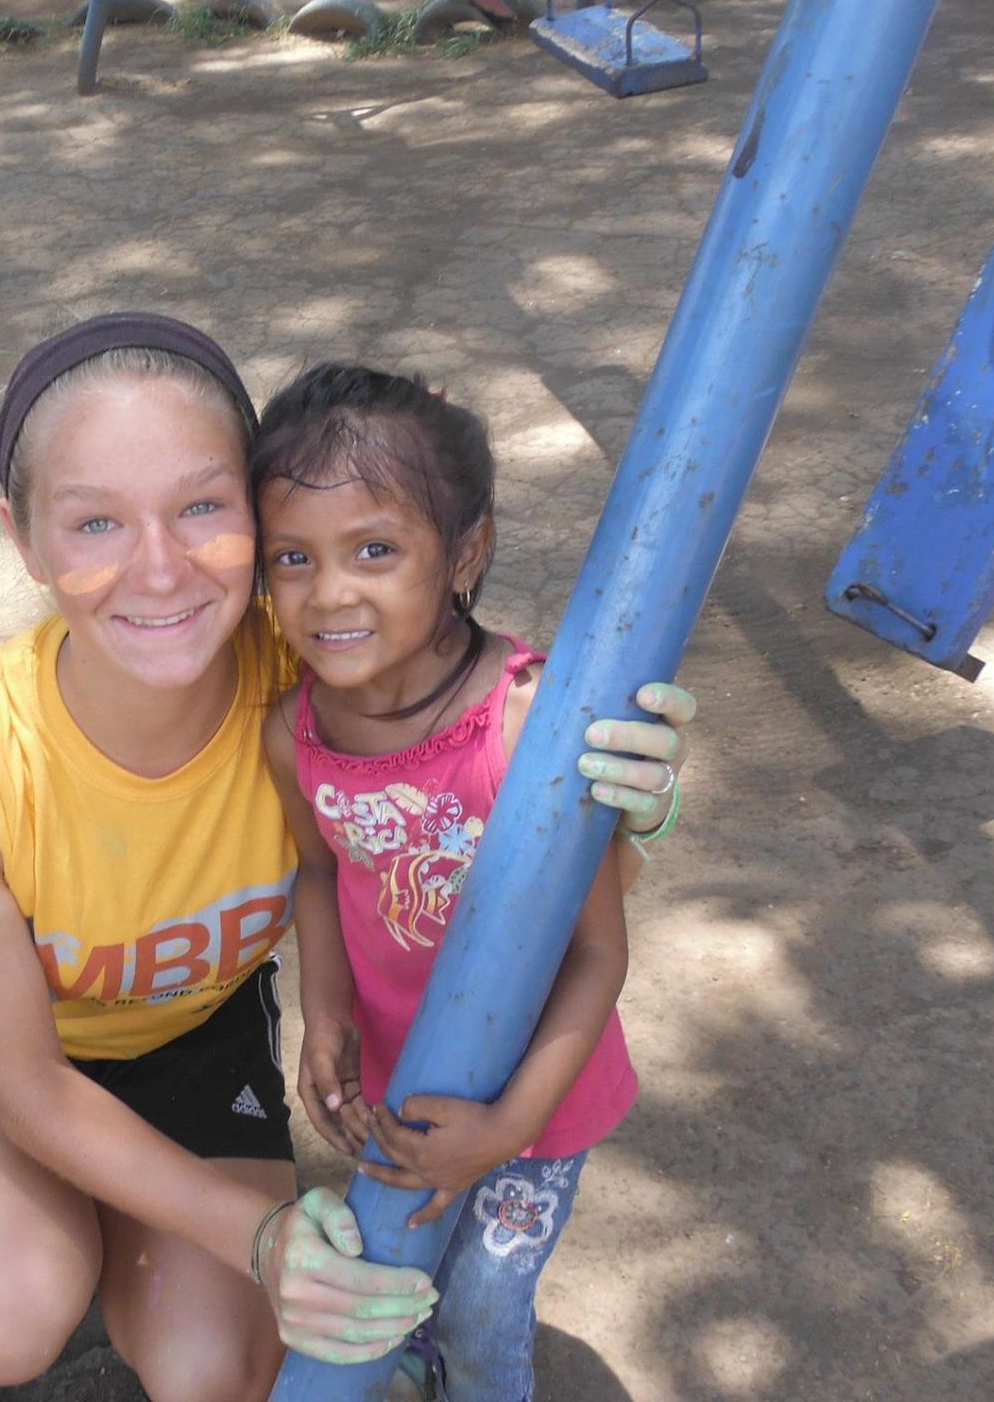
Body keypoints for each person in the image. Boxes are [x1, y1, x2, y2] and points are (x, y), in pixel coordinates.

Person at [0, 315, 693, 1402]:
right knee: (6, 1312)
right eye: (94, 521)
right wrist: (261, 1238)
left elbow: (481, 754)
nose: (157, 571)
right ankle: (15, 1242)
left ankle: (103, 1220)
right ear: (26, 541)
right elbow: (29, 1085)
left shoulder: (313, 675)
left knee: (216, 1375)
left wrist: (631, 794)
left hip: (191, 1027)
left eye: (202, 507)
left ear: (257, 517)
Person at [254, 362, 683, 1402]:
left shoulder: (530, 728)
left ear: (467, 552)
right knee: (403, 1282)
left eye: (376, 549)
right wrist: (325, 1015)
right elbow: (318, 871)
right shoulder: (293, 730)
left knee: (486, 1313)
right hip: (403, 1085)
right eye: (294, 559)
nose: (331, 591)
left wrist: (506, 1129)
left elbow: (595, 953)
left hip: (536, 1101)